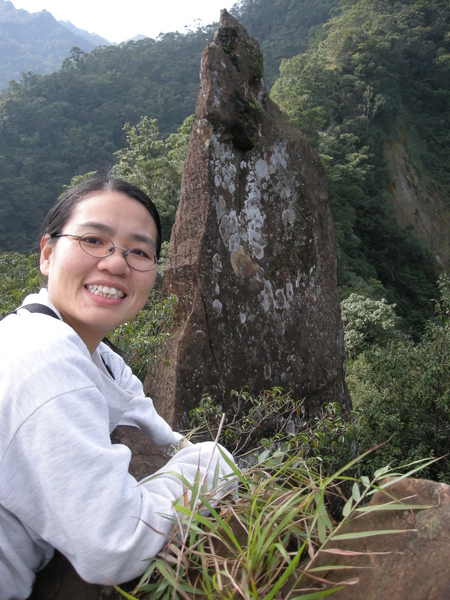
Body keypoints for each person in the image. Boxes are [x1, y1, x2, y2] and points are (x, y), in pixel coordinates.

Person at [0, 175, 235, 599]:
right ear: (47, 254)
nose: (115, 263)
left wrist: (187, 454)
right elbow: (115, 543)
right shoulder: (42, 355)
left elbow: (161, 434)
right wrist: (216, 461)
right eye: (93, 240)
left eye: (139, 251)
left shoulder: (99, 357)